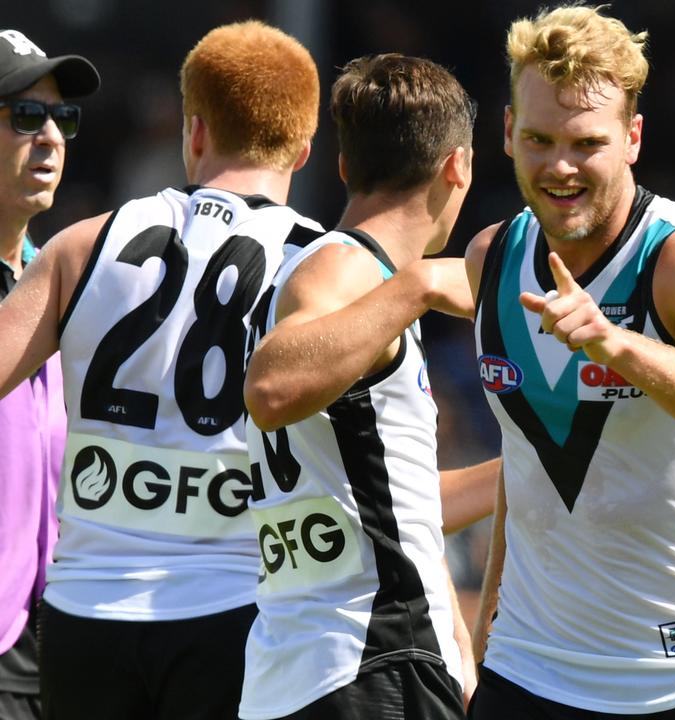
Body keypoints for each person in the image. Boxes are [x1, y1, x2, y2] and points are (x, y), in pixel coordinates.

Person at [0, 20, 323, 719]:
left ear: (195, 130)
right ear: (303, 148)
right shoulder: (320, 264)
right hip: (230, 609)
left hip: (83, 617)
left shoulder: (84, 245)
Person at [464, 5, 675, 718]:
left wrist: (619, 344)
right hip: (525, 673)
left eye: (585, 143)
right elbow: (526, 464)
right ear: (507, 134)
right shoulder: (491, 258)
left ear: (632, 138)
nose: (559, 166)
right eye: (537, 139)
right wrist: (487, 636)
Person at [240, 52, 494, 720]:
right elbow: (271, 389)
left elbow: (388, 504)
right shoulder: (353, 273)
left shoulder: (328, 282)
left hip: (304, 669)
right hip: (373, 660)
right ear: (458, 167)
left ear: (345, 166)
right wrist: (422, 283)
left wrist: (534, 467)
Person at [0, 28, 98, 720]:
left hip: (57, 652)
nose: (52, 138)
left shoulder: (61, 287)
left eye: (62, 118)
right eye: (25, 116)